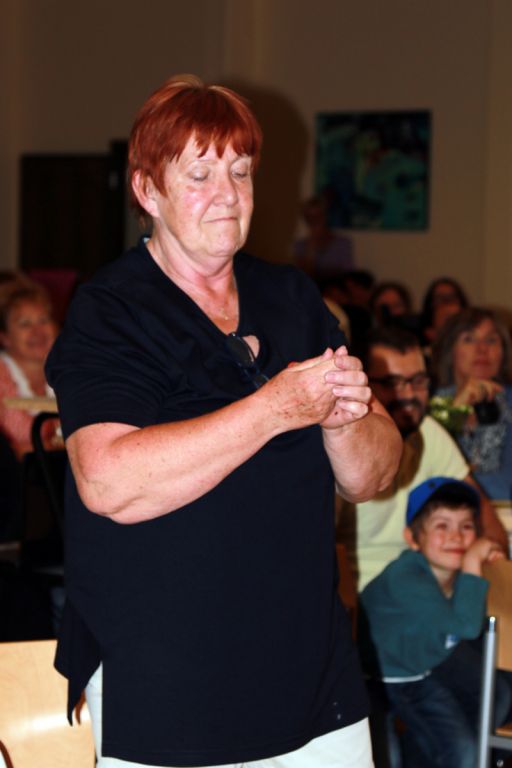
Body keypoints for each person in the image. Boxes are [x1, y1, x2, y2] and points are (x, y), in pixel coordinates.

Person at [46, 75, 402, 768]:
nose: (229, 194)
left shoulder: (291, 297)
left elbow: (371, 477)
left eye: (241, 172)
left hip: (311, 682)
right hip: (171, 684)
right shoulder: (113, 311)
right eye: (200, 174)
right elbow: (108, 483)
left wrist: (342, 420)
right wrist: (274, 410)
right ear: (148, 191)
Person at [335, 326, 508, 590]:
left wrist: (490, 555)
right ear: (362, 384)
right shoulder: (337, 440)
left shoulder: (428, 433)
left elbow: (488, 523)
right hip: (356, 598)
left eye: (418, 381)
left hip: (427, 594)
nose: (408, 395)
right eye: (392, 383)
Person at [359, 476, 512, 767]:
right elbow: (466, 627)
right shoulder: (406, 577)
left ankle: (456, 752)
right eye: (442, 526)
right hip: (393, 678)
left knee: (498, 694)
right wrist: (472, 562)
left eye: (466, 526)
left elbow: (471, 621)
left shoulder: (445, 570)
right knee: (463, 751)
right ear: (413, 538)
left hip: (427, 658)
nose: (456, 536)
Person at [432, 307, 512, 501]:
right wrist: (456, 410)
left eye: (491, 340)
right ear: (450, 350)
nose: (482, 349)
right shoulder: (429, 405)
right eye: (469, 339)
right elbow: (427, 462)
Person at [0, 285, 58, 459]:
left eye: (43, 320)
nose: (38, 331)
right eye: (25, 324)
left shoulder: (69, 370)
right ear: (5, 337)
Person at [293, 195, 353, 278]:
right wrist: (311, 247)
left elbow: (347, 275)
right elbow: (303, 277)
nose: (314, 222)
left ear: (326, 216)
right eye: (310, 218)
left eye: (318, 217)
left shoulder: (343, 243)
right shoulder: (300, 246)